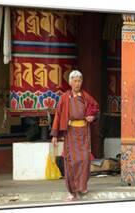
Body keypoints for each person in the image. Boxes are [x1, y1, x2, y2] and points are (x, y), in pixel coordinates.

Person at [50, 70, 100, 201]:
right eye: (75, 81)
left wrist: (92, 117)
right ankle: (72, 190)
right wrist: (55, 135)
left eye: (79, 81)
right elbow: (58, 115)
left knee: (84, 159)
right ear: (70, 82)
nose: (77, 83)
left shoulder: (85, 96)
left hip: (83, 132)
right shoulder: (65, 98)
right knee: (71, 162)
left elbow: (95, 108)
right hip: (71, 133)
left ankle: (82, 186)